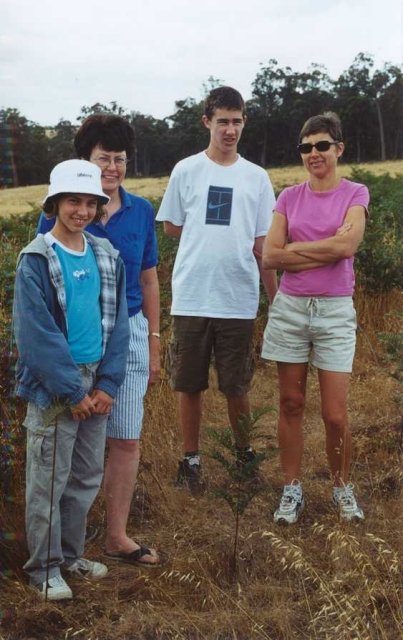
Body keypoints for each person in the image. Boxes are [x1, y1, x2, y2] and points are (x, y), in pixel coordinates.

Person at [37, 115, 162, 566]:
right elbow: (46, 279)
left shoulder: (141, 211)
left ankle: (115, 536)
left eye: (120, 159)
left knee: (126, 438)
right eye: (102, 158)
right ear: (84, 161)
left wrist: (154, 339)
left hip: (128, 335)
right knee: (72, 443)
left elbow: (148, 279)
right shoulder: (64, 211)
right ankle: (60, 549)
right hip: (77, 340)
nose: (112, 167)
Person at [13, 159, 130, 599]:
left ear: (98, 206)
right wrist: (72, 390)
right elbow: (36, 335)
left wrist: (107, 385)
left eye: (88, 202)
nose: (80, 210)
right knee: (48, 479)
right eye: (72, 201)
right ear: (55, 203)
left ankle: (69, 555)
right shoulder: (36, 259)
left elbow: (118, 326)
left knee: (83, 477)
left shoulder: (106, 255)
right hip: (54, 386)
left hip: (96, 382)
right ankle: (43, 569)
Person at [156, 86, 277, 494]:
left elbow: (264, 243)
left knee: (236, 386)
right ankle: (190, 462)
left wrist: (274, 297)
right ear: (207, 122)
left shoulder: (257, 178)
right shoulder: (186, 170)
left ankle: (244, 459)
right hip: (192, 294)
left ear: (244, 123)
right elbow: (171, 224)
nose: (230, 129)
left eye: (237, 121)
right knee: (188, 384)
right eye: (222, 121)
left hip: (238, 298)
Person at [261, 111, 369, 524]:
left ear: (338, 149)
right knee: (290, 403)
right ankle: (292, 489)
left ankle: (342, 488)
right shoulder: (288, 197)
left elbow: (349, 247)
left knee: (335, 414)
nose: (314, 154)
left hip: (335, 311)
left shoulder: (355, 193)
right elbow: (270, 255)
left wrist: (296, 252)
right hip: (290, 310)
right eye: (306, 147)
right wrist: (328, 246)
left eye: (322, 145)